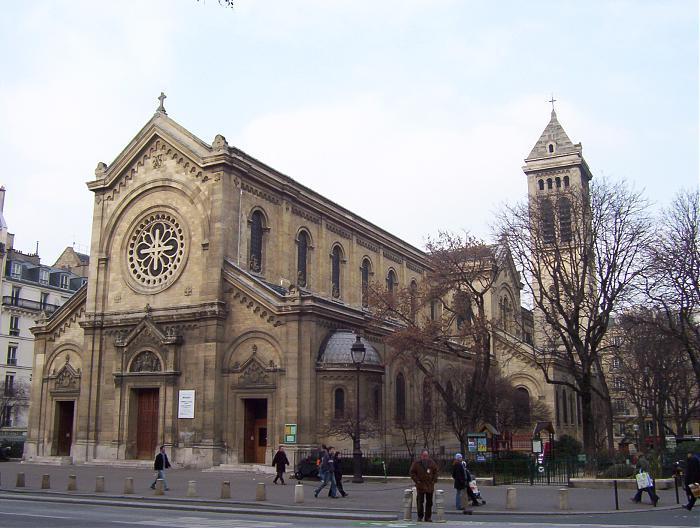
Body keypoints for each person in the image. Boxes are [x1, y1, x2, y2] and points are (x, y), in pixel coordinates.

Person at [410, 449, 439, 522]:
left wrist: (434, 480)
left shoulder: (432, 463)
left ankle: (428, 517)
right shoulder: (416, 463)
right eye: (424, 456)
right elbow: (412, 472)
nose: (425, 457)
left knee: (429, 502)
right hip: (420, 486)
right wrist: (417, 481)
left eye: (426, 456)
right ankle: (420, 516)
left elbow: (436, 471)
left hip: (430, 485)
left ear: (428, 456)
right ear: (421, 456)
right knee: (420, 502)